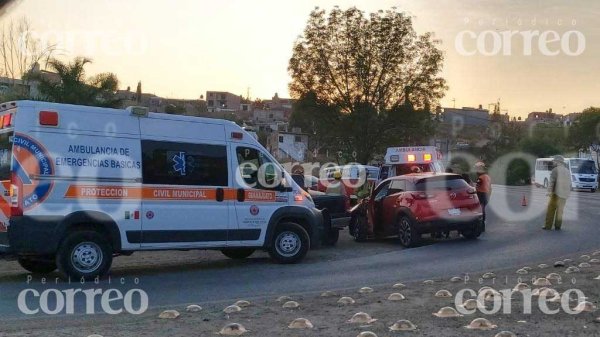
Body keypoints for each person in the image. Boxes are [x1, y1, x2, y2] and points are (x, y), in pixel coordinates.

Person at [544, 155, 571, 231]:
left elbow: (551, 182)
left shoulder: (555, 170)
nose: (553, 162)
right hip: (564, 195)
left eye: (554, 161)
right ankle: (558, 226)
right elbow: (569, 183)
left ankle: (548, 226)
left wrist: (549, 192)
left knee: (551, 209)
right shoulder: (567, 171)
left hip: (556, 194)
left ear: (558, 162)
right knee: (560, 210)